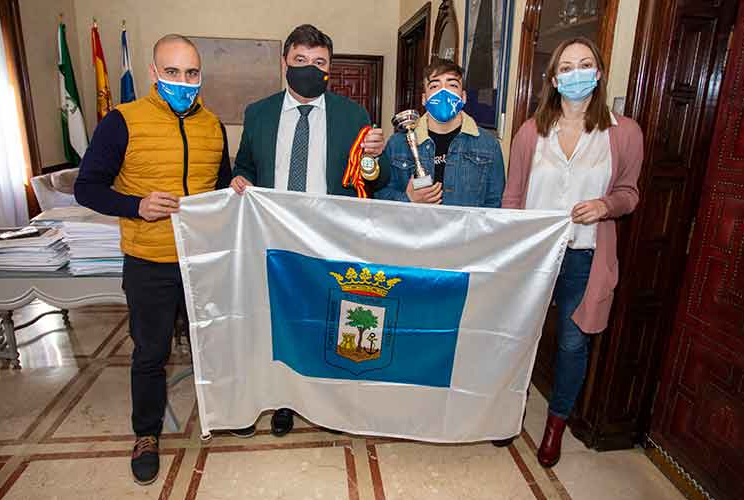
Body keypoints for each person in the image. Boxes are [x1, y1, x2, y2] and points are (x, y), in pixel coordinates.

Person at [74, 34, 232, 485]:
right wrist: (135, 205)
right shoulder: (121, 121)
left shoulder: (213, 125)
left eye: (192, 74)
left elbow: (220, 187)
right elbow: (87, 186)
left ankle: (223, 412)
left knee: (212, 343)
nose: (184, 82)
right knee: (150, 352)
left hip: (202, 259)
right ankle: (146, 434)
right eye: (173, 72)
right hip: (150, 260)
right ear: (153, 73)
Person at [231, 24, 391, 438]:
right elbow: (244, 165)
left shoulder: (353, 114)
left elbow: (376, 179)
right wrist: (240, 181)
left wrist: (375, 156)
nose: (308, 68)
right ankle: (286, 399)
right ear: (284, 62)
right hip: (275, 238)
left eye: (318, 62)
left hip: (331, 239)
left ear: (330, 68)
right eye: (300, 60)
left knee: (331, 319)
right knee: (284, 320)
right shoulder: (259, 113)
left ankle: (331, 402)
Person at [503, 37, 643, 467]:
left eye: (585, 65)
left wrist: (606, 206)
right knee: (519, 338)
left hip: (584, 259)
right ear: (554, 77)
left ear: (599, 74)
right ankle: (509, 413)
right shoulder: (532, 131)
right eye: (566, 67)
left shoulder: (624, 133)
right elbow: (513, 197)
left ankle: (555, 425)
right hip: (535, 258)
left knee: (570, 343)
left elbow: (629, 193)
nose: (575, 73)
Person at [375, 58, 504, 207]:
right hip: (415, 229)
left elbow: (494, 205)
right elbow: (380, 194)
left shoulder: (488, 145)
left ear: (463, 97)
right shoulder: (398, 143)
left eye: (452, 85)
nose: (444, 91)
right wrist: (408, 198)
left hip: (464, 230)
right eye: (435, 85)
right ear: (424, 99)